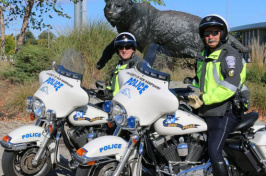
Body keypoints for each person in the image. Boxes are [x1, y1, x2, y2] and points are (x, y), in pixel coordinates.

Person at [186, 14, 249, 176]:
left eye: (215, 32)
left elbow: (230, 84)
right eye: (207, 34)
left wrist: (203, 98)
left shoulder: (229, 55)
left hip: (227, 110)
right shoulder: (203, 57)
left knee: (213, 151)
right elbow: (199, 82)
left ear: (222, 34)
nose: (211, 37)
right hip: (208, 109)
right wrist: (184, 92)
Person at [96, 32, 141, 100]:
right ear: (117, 50)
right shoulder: (119, 65)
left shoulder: (139, 65)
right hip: (116, 104)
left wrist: (112, 95)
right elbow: (113, 86)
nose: (124, 50)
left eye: (128, 47)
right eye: (121, 47)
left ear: (133, 48)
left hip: (128, 105)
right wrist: (105, 92)